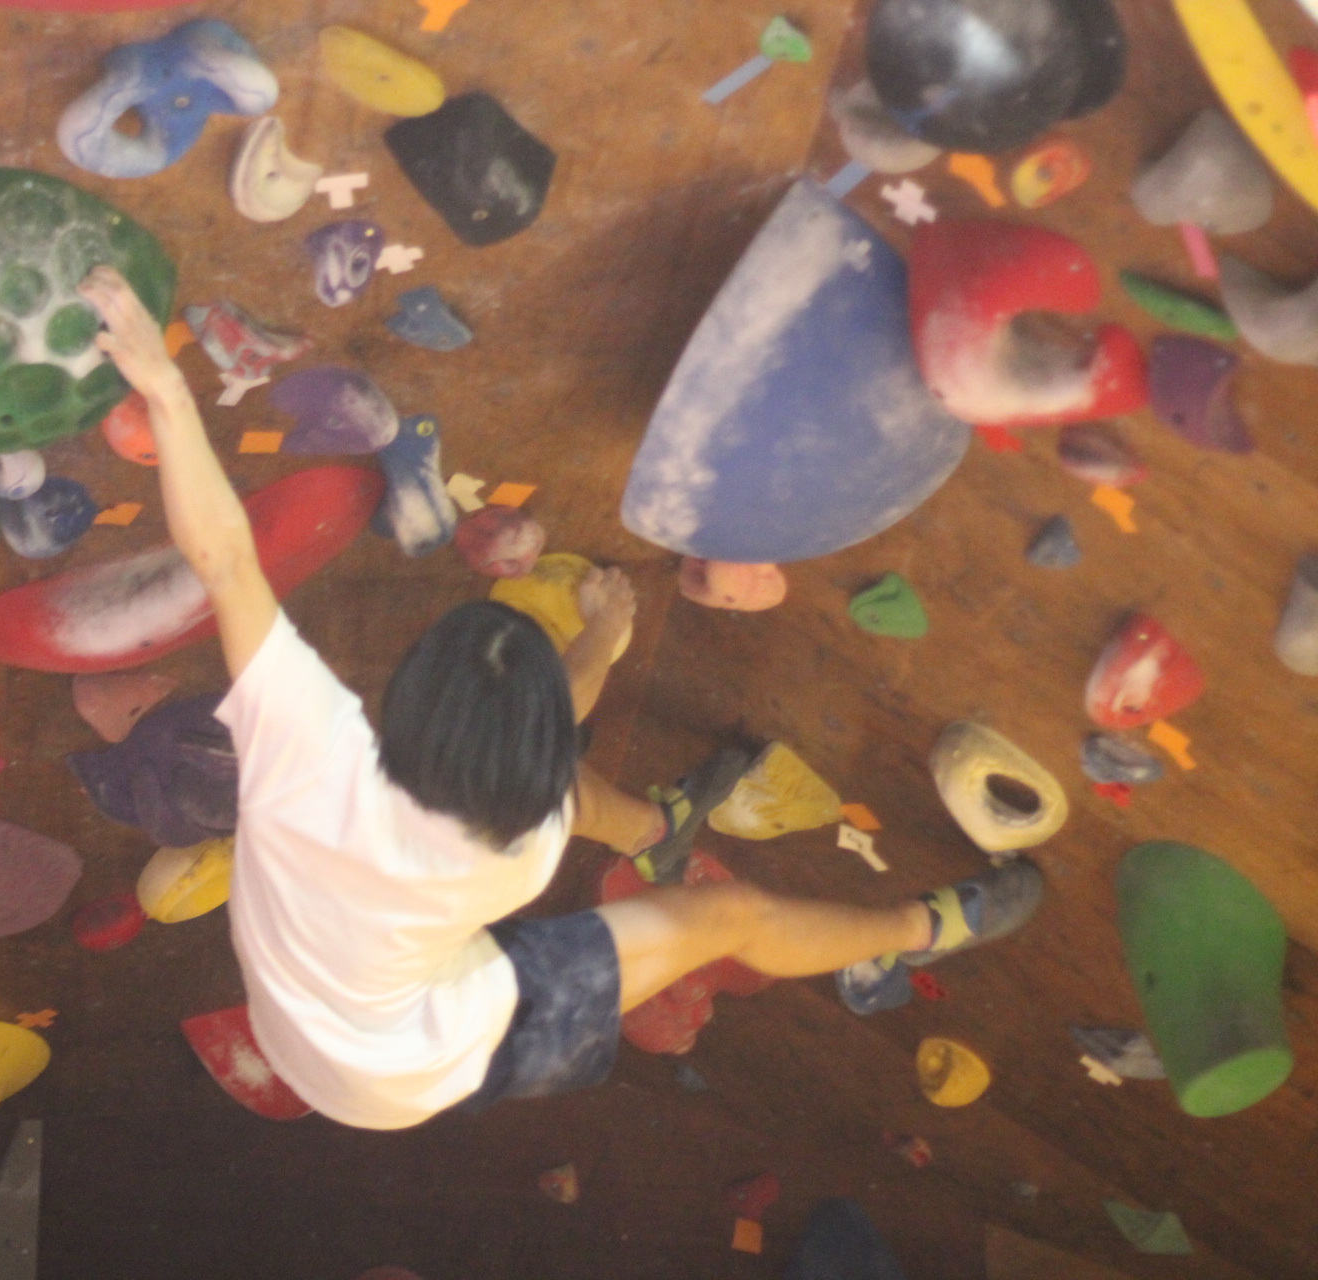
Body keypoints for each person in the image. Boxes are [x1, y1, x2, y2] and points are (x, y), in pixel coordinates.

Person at [77, 267, 1044, 1131]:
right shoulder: (515, 859)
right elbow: (540, 762)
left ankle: (654, 831)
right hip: (422, 1061)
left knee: (569, 811)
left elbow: (223, 557)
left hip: (301, 1027)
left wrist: (165, 389)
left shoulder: (306, 755)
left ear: (401, 704)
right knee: (732, 917)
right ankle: (924, 930)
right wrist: (601, 640)